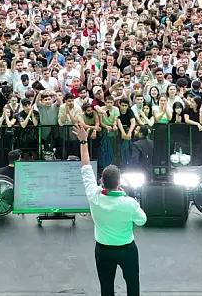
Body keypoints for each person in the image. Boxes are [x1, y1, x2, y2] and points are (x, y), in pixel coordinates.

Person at [75, 124, 146, 296]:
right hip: (127, 249)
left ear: (101, 180)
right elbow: (142, 220)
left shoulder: (94, 195)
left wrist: (83, 141)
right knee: (132, 284)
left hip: (103, 249)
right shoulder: (128, 203)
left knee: (106, 287)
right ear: (119, 183)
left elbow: (85, 167)